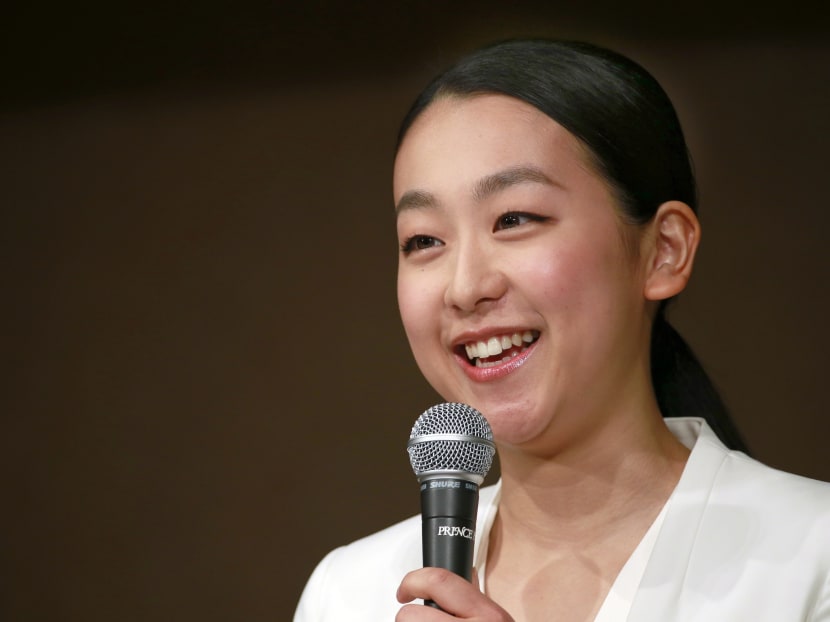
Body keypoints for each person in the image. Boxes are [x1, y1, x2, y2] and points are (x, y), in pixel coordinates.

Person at [293, 38, 830, 621]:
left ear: (663, 251)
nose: (465, 285)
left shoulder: (809, 559)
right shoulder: (350, 593)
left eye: (515, 219)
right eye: (425, 240)